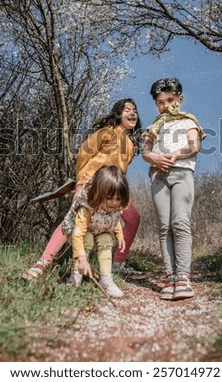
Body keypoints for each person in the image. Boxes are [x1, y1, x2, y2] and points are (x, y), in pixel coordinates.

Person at [23, 98, 145, 280]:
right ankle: (42, 263)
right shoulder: (107, 132)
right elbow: (83, 153)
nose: (133, 112)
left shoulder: (130, 144)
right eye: (127, 109)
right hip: (91, 182)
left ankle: (118, 264)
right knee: (72, 220)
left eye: (134, 110)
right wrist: (83, 180)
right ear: (118, 114)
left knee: (133, 218)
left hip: (112, 190)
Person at [142, 78, 205, 300]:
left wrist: (177, 154)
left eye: (170, 100)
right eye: (161, 102)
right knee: (164, 226)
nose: (166, 105)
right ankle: (170, 277)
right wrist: (155, 159)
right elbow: (146, 152)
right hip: (158, 177)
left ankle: (183, 276)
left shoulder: (188, 121)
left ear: (180, 98)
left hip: (181, 173)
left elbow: (194, 146)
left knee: (180, 222)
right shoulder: (155, 126)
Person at [63, 165, 129, 298]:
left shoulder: (114, 207)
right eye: (109, 198)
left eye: (118, 199)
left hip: (98, 230)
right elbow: (77, 234)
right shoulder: (86, 208)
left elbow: (113, 220)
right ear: (99, 193)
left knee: (106, 239)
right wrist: (82, 260)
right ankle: (75, 278)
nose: (114, 203)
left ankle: (106, 280)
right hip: (75, 231)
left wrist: (119, 235)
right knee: (86, 238)